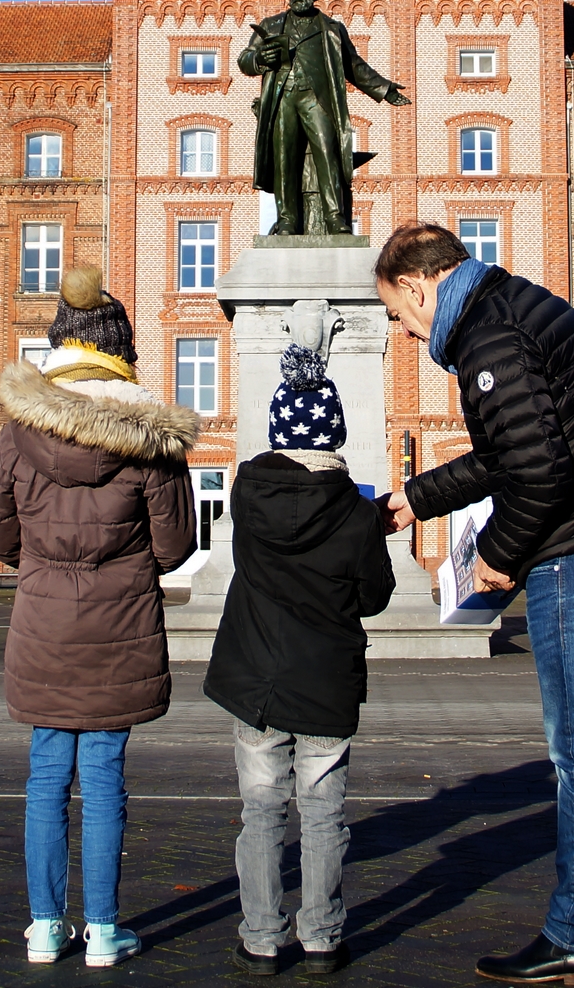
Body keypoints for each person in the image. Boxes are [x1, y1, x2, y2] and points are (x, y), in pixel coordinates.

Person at [374, 224, 574, 986]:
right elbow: (509, 449)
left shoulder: (487, 335)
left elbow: (537, 473)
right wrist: (416, 498)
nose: (407, 335)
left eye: (401, 318)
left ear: (417, 285)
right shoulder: (520, 309)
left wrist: (498, 555)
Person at [0, 265, 198, 968]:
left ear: (59, 347)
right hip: (122, 626)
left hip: (43, 623)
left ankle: (45, 925)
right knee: (103, 773)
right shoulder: (148, 436)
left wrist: (41, 561)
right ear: (121, 350)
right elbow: (174, 545)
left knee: (46, 772)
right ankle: (103, 929)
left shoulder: (18, 431)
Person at [204, 343, 395, 976]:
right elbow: (374, 597)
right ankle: (321, 937)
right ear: (335, 432)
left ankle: (260, 938)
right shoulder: (357, 512)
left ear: (278, 429)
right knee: (322, 814)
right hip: (324, 683)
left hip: (255, 676)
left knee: (259, 812)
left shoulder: (246, 497)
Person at [237, 0, 410, 235]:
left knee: (328, 154)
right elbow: (244, 60)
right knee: (285, 160)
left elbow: (353, 66)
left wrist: (385, 89)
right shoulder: (271, 25)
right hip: (283, 98)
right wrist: (260, 59)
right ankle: (287, 220)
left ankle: (334, 217)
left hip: (316, 98)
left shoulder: (331, 29)